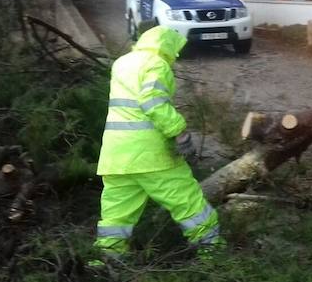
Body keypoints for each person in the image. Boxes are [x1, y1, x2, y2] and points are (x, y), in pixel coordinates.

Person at [93, 26, 224, 263]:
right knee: (189, 202)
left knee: (115, 216)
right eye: (176, 50)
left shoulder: (122, 63)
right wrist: (180, 133)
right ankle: (212, 253)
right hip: (151, 155)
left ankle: (107, 261)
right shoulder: (156, 64)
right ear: (168, 47)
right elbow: (152, 101)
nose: (176, 56)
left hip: (116, 156)